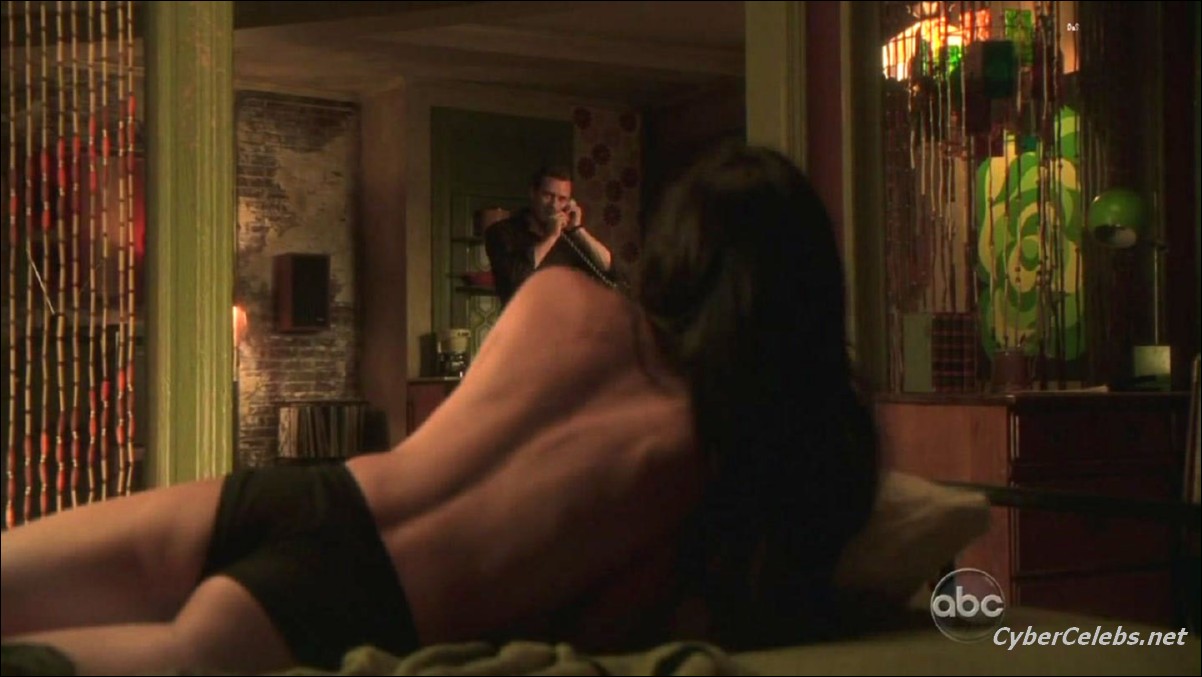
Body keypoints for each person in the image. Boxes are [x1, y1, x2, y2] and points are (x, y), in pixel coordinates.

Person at [0, 142, 879, 673]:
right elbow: (612, 622)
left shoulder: (562, 298)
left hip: (310, 494)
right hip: (375, 594)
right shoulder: (705, 455)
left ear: (680, 249)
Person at [484, 165, 623, 306]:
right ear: (533, 193)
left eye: (562, 199)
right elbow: (515, 280)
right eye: (547, 196)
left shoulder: (569, 239)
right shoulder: (501, 231)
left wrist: (577, 230)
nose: (554, 205)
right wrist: (551, 237)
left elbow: (610, 272)